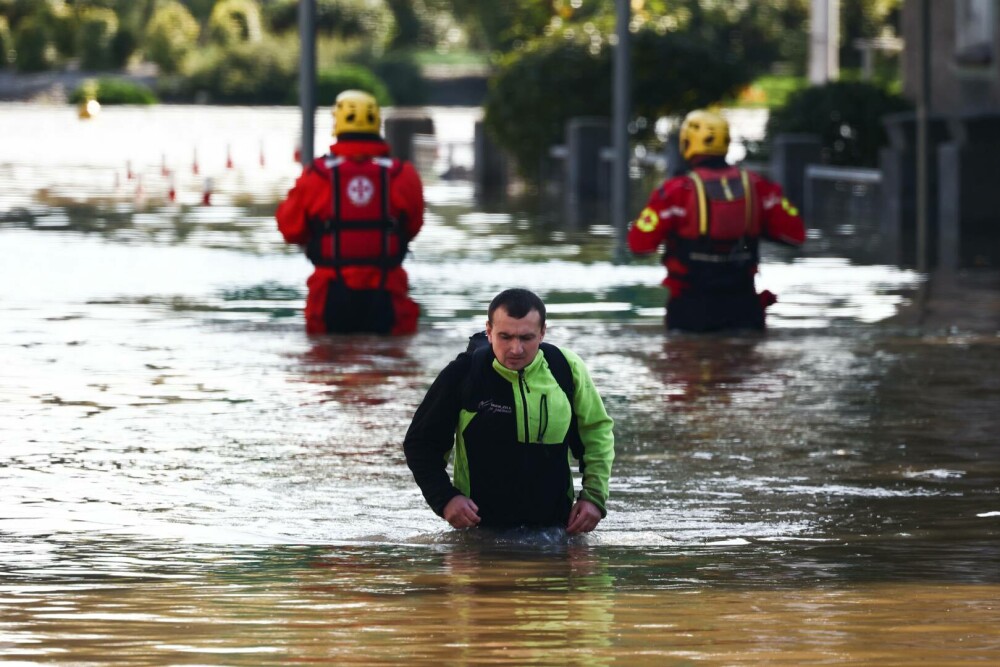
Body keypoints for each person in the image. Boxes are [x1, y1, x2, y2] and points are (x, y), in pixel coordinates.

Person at [403, 288, 615, 534]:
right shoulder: (463, 373)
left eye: (526, 338)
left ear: (543, 332)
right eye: (505, 337)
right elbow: (420, 444)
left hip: (557, 531)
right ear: (489, 331)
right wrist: (445, 498)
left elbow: (596, 434)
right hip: (479, 532)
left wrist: (594, 498)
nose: (516, 349)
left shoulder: (566, 368)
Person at [628, 109, 806, 332]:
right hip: (744, 310)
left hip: (690, 311)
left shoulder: (674, 192)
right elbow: (796, 234)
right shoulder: (759, 188)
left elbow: (639, 244)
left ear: (687, 142)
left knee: (686, 364)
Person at [276, 90, 425, 335]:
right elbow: (413, 227)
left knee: (327, 366)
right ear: (377, 123)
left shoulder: (317, 174)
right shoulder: (403, 174)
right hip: (387, 290)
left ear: (337, 124)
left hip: (330, 291)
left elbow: (290, 229)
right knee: (389, 364)